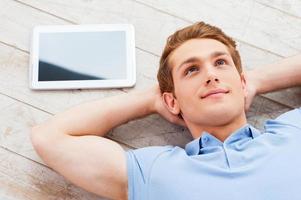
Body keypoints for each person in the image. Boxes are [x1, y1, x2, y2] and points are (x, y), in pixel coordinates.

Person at [31, 22, 301, 200]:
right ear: (172, 102)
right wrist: (149, 99)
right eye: (191, 70)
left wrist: (254, 81)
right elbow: (50, 138)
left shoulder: (293, 134)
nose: (211, 75)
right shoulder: (155, 172)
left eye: (220, 63)